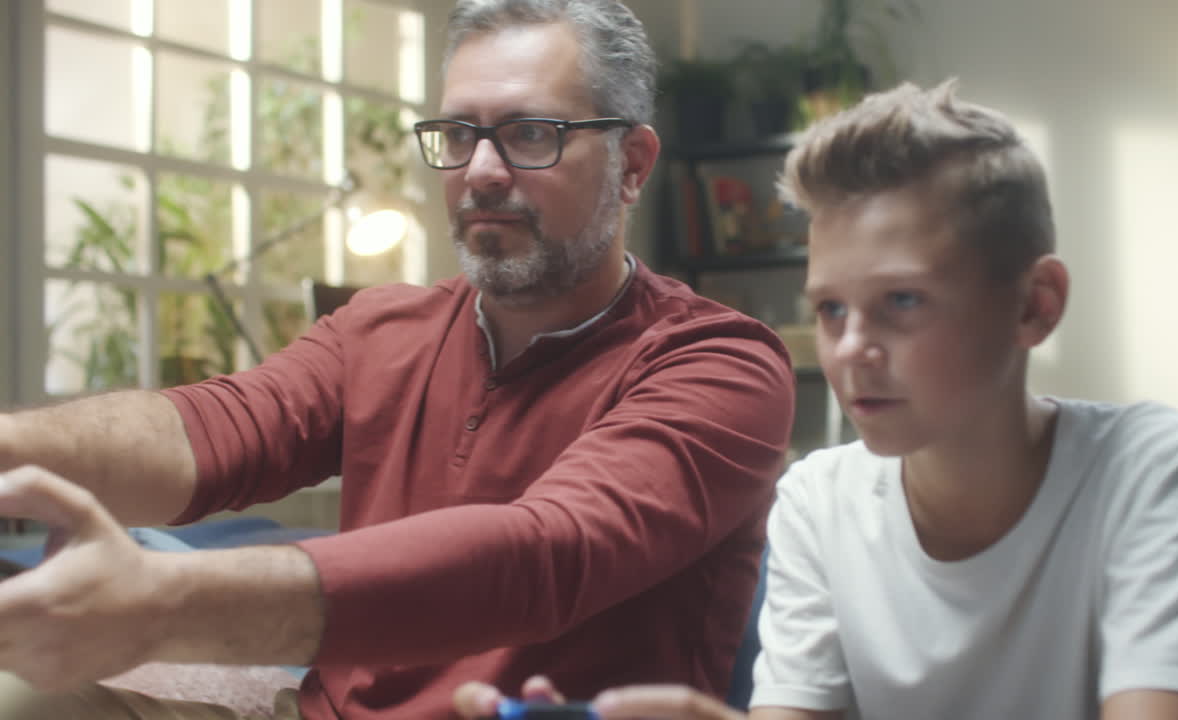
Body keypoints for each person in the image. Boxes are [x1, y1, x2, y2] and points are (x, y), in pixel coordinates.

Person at [0, 1, 795, 718]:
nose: (481, 170)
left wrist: (161, 603)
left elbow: (541, 556)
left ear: (632, 164)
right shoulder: (382, 327)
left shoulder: (719, 364)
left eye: (529, 134)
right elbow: (213, 431)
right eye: (459, 134)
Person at [454, 81, 1178, 720]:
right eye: (830, 310)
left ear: (1035, 304)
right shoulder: (817, 501)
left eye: (901, 301)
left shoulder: (1149, 466)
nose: (851, 349)